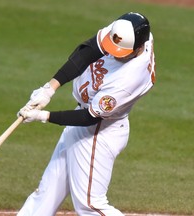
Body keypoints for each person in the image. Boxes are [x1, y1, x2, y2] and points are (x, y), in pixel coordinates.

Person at [17, 12, 156, 216]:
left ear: (138, 49)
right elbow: (88, 50)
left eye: (121, 52)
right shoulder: (128, 31)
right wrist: (50, 88)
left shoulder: (130, 78)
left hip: (98, 133)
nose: (114, 54)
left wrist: (43, 116)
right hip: (84, 122)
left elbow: (89, 118)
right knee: (45, 194)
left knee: (90, 205)